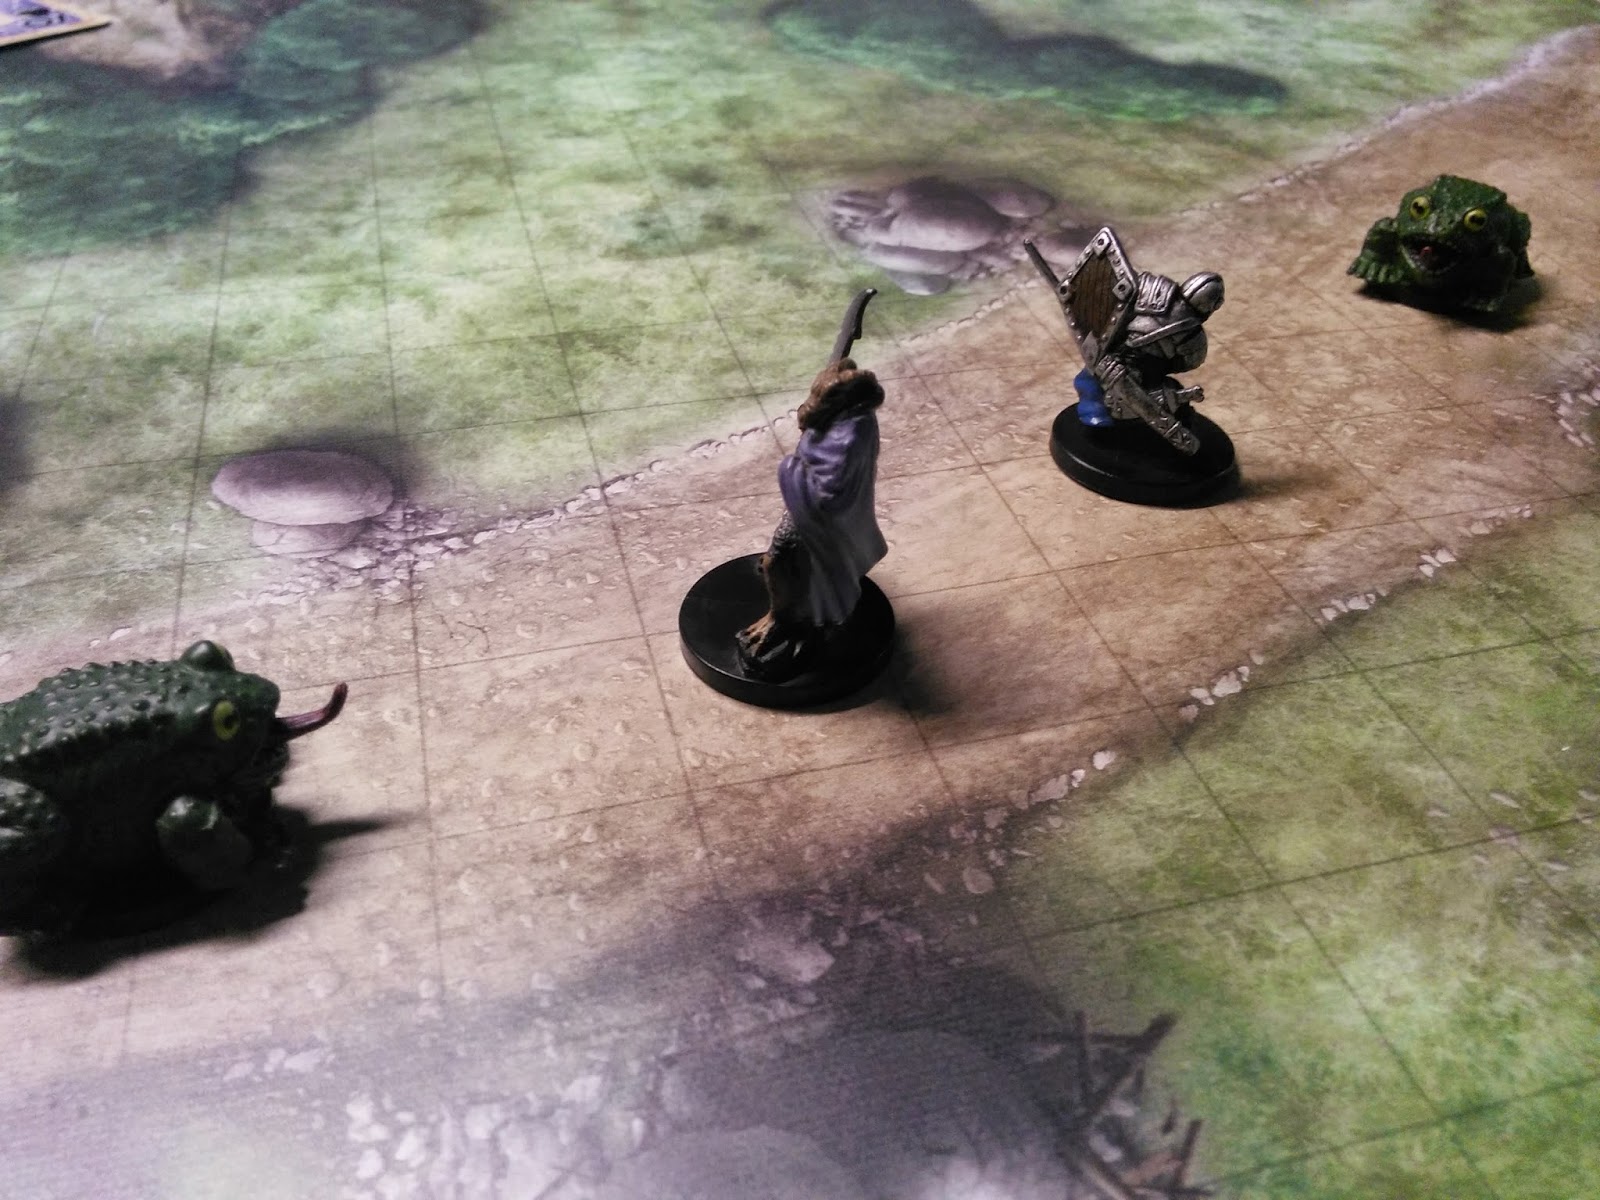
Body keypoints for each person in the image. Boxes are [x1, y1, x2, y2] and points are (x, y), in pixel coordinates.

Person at [737, 357, 888, 680]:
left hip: (818, 517)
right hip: (803, 504)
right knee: (785, 565)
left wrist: (791, 470)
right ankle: (785, 609)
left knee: (778, 562)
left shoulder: (852, 434)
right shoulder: (840, 421)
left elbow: (829, 492)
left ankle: (783, 619)